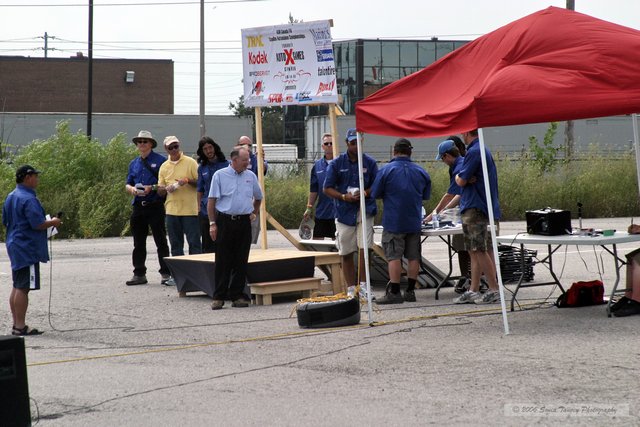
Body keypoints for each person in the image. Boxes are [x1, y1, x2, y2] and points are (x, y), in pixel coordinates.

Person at [3, 165, 62, 335]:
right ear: (27, 177)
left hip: (14, 243)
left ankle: (17, 324)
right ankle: (20, 326)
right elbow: (37, 224)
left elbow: (6, 220)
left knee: (17, 285)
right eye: (35, 176)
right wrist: (54, 222)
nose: (37, 179)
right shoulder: (29, 199)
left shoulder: (11, 196)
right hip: (27, 248)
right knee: (24, 287)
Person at [370, 138, 431, 304]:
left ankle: (395, 292)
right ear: (410, 152)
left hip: (394, 220)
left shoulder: (386, 170)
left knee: (394, 256)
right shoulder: (421, 172)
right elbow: (425, 196)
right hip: (413, 221)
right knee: (413, 257)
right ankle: (411, 291)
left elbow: (375, 193)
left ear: (394, 151)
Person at [323, 128, 378, 296]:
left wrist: (365, 193)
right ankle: (350, 288)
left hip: (364, 209)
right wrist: (343, 197)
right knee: (346, 251)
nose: (355, 146)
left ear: (362, 142)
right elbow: (327, 188)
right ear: (347, 143)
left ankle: (363, 286)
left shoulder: (370, 163)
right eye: (352, 143)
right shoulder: (337, 163)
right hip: (344, 212)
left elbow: (377, 186)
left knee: (365, 248)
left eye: (358, 142)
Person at [207, 147, 263, 310]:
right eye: (245, 160)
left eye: (248, 160)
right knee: (223, 260)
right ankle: (218, 296)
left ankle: (237, 295)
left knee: (241, 259)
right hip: (225, 221)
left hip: (244, 222)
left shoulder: (250, 176)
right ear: (234, 160)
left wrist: (254, 213)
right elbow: (211, 201)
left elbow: (258, 197)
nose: (248, 163)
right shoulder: (220, 175)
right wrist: (212, 223)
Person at [454, 129, 501, 304]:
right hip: (483, 205)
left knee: (479, 249)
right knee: (477, 250)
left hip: (474, 206)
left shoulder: (473, 151)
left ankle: (493, 288)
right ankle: (473, 289)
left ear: (467, 133)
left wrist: (460, 176)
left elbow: (460, 180)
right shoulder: (483, 149)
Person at [424, 136, 473, 293]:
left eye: (442, 158)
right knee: (466, 248)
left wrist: (435, 214)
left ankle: (472, 280)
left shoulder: (459, 166)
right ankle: (469, 278)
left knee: (472, 249)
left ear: (447, 155)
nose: (443, 161)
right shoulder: (456, 166)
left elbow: (452, 195)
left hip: (470, 210)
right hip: (465, 208)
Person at [124, 130, 172, 286]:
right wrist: (131, 189)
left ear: (151, 144)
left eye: (145, 141)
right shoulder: (134, 163)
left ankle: (166, 273)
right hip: (138, 206)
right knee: (138, 241)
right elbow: (128, 183)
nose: (142, 144)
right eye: (139, 142)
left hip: (154, 205)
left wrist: (151, 187)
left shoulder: (161, 161)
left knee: (160, 240)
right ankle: (139, 273)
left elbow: (164, 183)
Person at [157, 136, 201, 272]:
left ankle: (197, 273)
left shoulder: (191, 162)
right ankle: (179, 275)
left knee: (194, 244)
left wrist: (187, 180)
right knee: (175, 245)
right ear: (166, 149)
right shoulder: (164, 167)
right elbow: (160, 190)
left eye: (176, 146)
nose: (174, 150)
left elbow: (200, 183)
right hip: (171, 211)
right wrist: (165, 189)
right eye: (171, 147)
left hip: (190, 210)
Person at [196, 136, 229, 253]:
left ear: (214, 147)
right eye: (205, 149)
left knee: (224, 243)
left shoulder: (226, 165)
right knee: (207, 244)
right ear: (202, 152)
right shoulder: (202, 168)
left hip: (223, 209)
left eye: (210, 147)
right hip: (206, 211)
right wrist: (199, 208)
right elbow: (200, 189)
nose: (209, 151)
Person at [303, 132, 336, 239]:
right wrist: (309, 208)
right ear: (323, 146)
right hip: (322, 212)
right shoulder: (317, 166)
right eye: (327, 144)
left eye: (332, 143)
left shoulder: (341, 162)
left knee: (340, 246)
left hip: (338, 213)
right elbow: (314, 190)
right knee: (317, 244)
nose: (329, 146)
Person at [238, 135, 267, 244]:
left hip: (253, 203)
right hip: (238, 205)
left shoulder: (256, 159)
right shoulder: (234, 161)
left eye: (249, 145)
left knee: (251, 237)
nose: (246, 147)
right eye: (242, 145)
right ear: (237, 146)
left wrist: (262, 159)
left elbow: (262, 170)